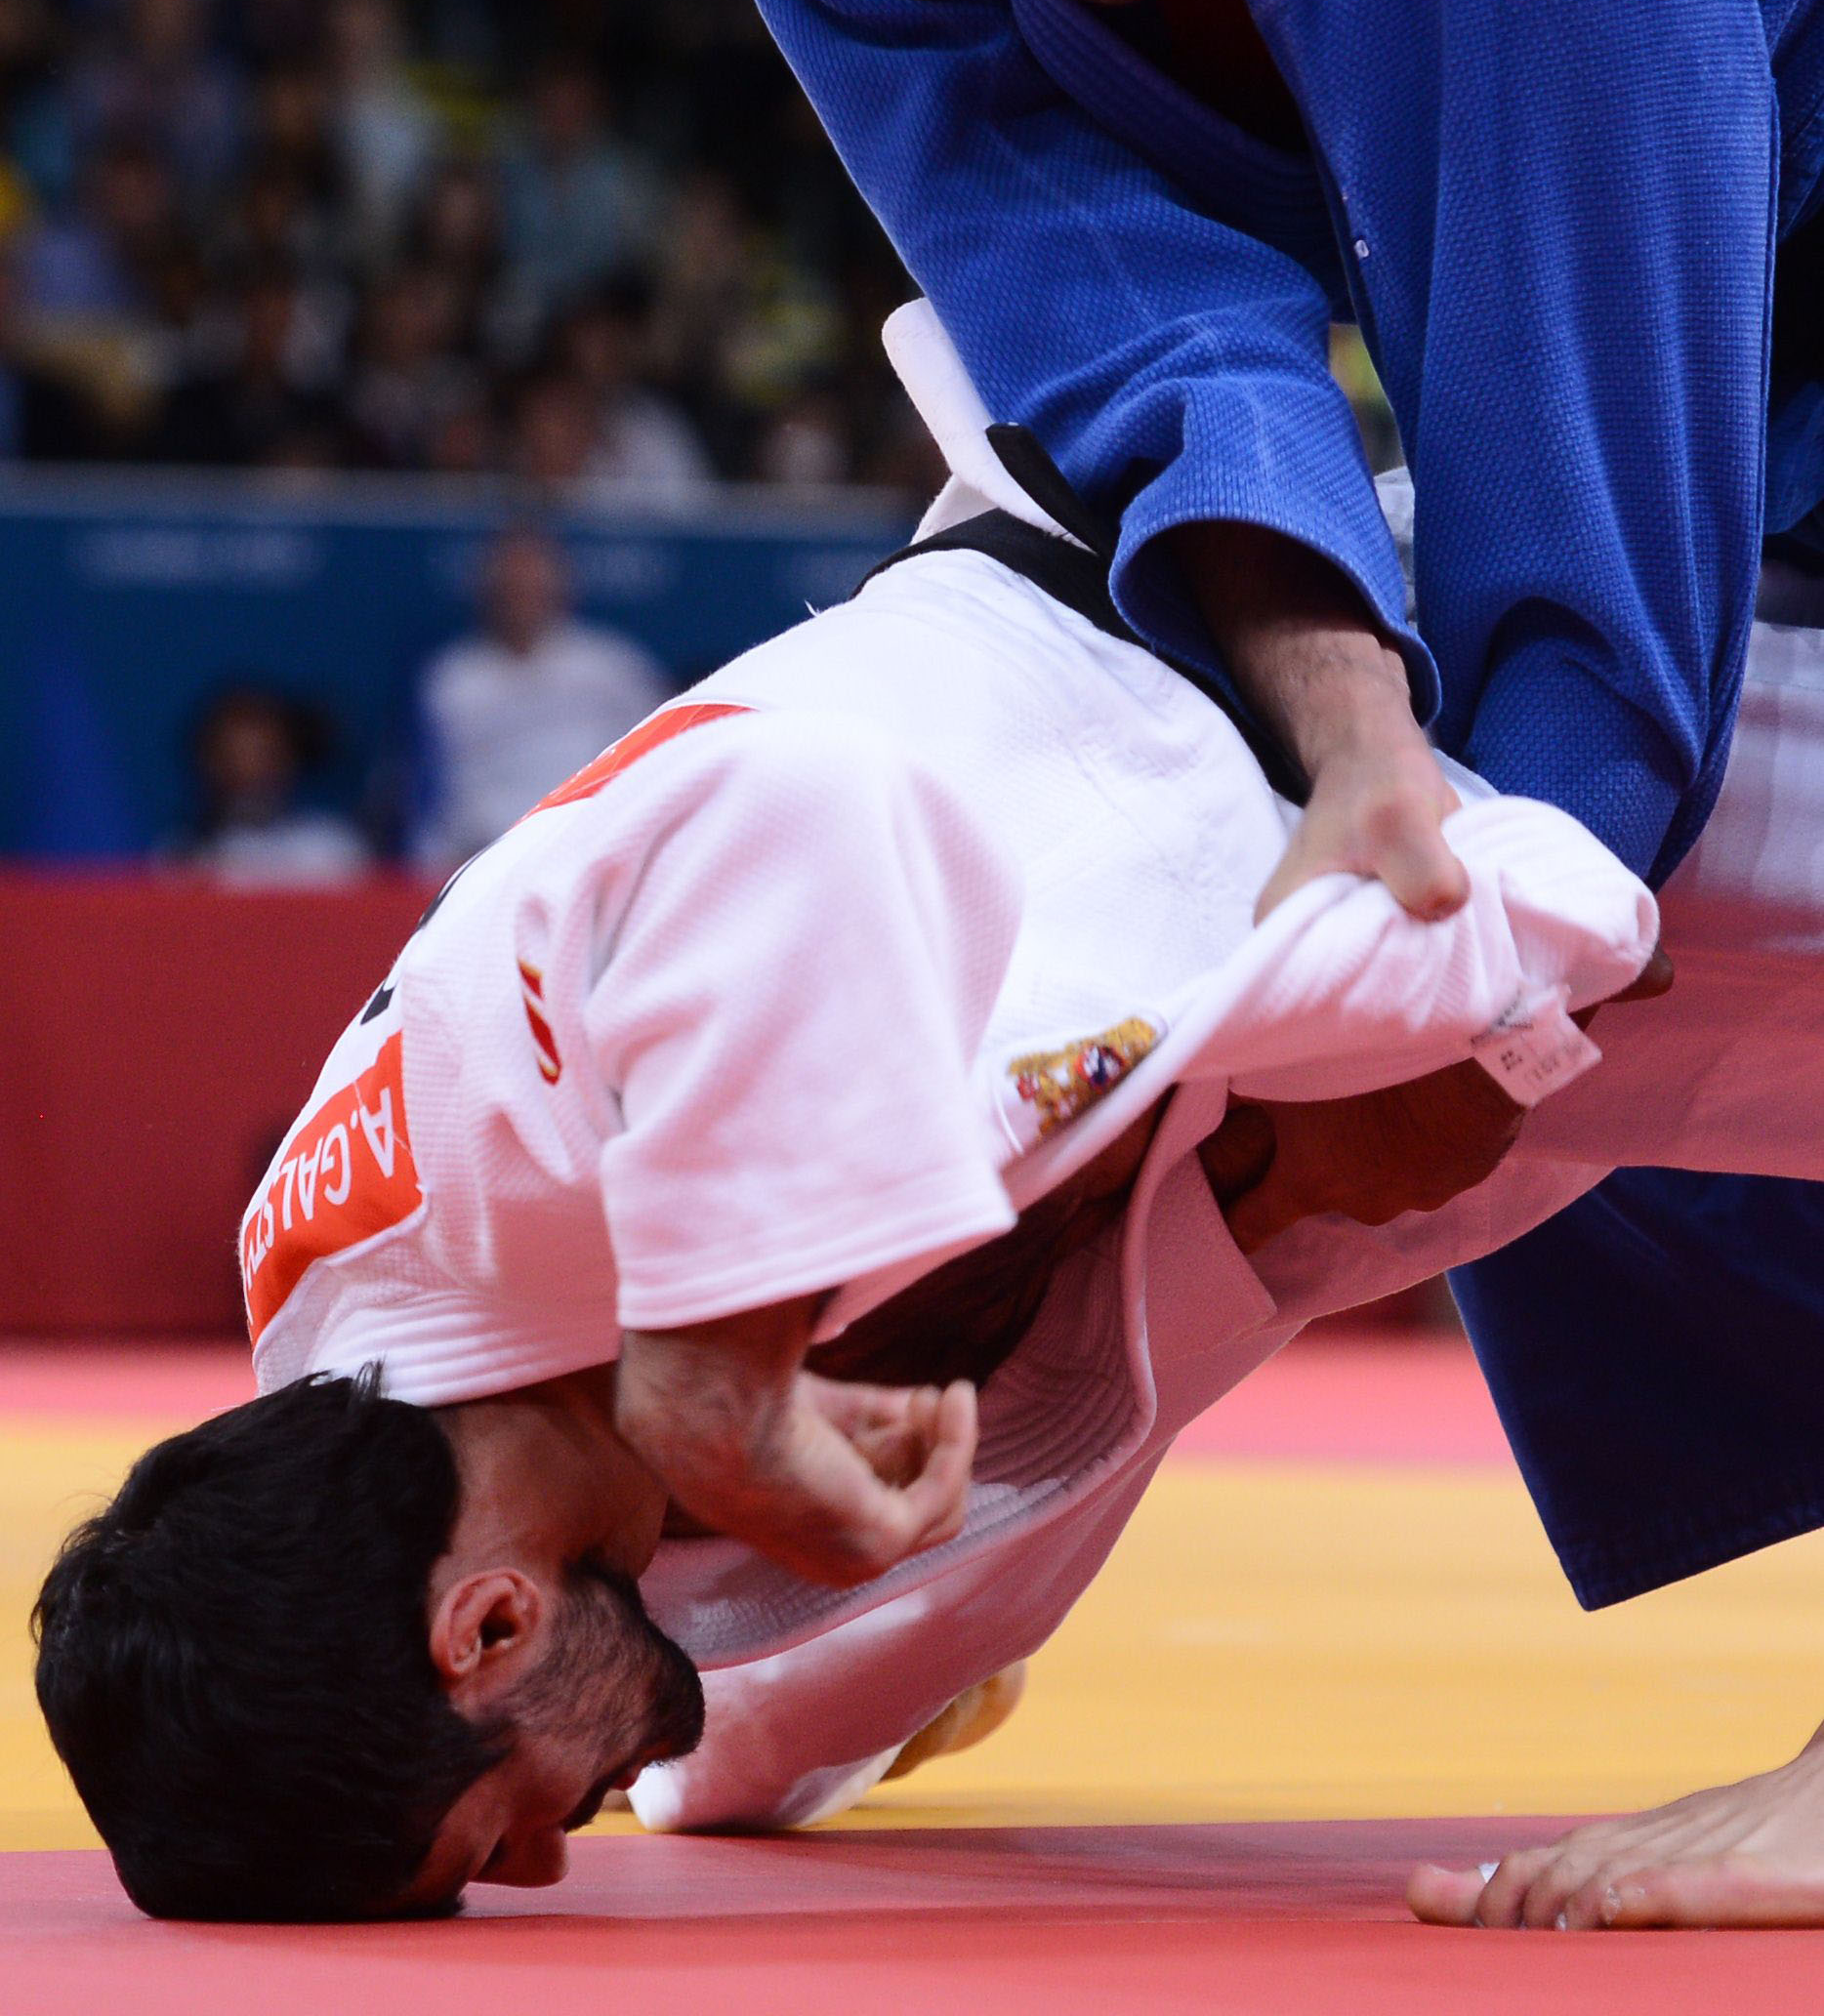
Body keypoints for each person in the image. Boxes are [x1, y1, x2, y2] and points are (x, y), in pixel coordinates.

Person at [61, 299, 1824, 1923]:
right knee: (732, 1718)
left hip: (1312, 714)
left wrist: (714, 1360)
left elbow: (800, 811)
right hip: (1303, 1044)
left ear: (483, 1626)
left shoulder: (463, 1165)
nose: (538, 1866)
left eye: (485, 1842)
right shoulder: (430, 1435)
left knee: (735, 1607)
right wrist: (1280, 1203)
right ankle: (828, 1704)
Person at [711, 0, 1824, 1913]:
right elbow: (1131, 357)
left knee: (1520, 921)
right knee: (1222, 823)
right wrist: (1337, 760)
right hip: (1703, 314)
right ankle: (902, 1563)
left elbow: (1590, 614)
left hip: (1710, 240)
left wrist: (1443, 994)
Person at [410, 524, 671, 872]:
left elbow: (662, 761)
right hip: (484, 859)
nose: (522, 596)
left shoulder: (612, 666)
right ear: (488, 590)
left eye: (533, 583)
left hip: (592, 850)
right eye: (512, 585)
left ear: (560, 587)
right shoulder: (452, 678)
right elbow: (427, 795)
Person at [167, 682, 371, 887]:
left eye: (263, 753)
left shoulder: (331, 847)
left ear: (291, 757)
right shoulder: (182, 857)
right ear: (207, 763)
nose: (248, 770)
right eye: (232, 756)